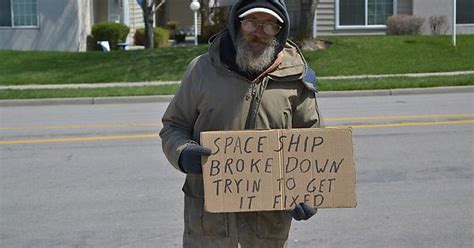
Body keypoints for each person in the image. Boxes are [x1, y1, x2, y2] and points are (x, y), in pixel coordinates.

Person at [160, 0, 324, 247]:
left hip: (267, 229)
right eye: (251, 22)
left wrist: (307, 191)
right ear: (236, 24)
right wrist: (182, 153)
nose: (258, 32)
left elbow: (312, 144)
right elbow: (174, 126)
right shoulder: (202, 70)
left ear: (281, 31)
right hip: (208, 226)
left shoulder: (297, 79)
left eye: (269, 25)